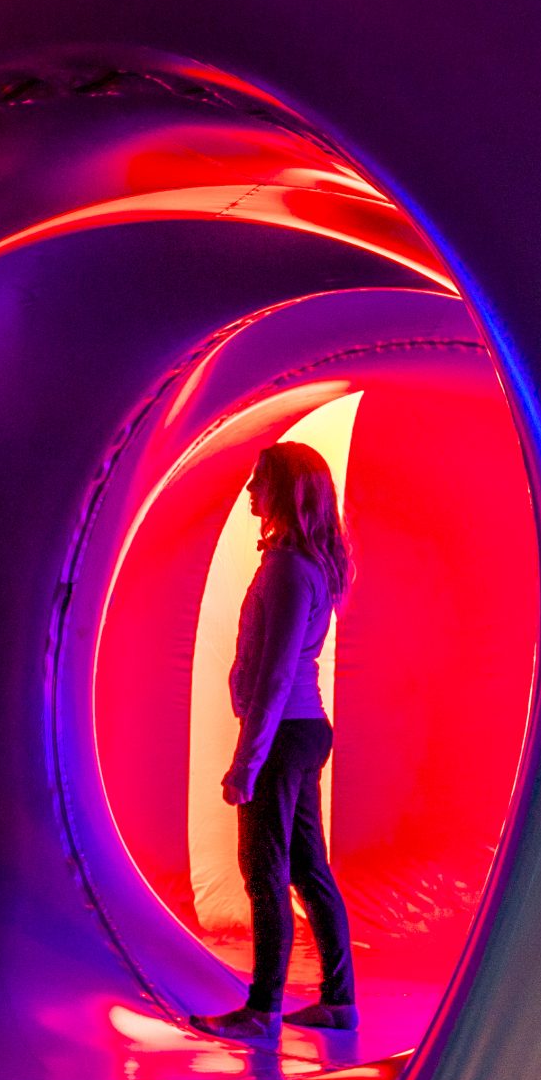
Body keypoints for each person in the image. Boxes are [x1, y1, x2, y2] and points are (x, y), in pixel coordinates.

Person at [189, 441, 358, 1042]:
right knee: (309, 868)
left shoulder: (287, 569)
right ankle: (338, 1003)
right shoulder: (300, 564)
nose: (249, 491)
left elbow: (276, 674)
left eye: (259, 480)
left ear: (284, 490)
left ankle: (263, 1012)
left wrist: (246, 760)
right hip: (300, 732)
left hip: (284, 735)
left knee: (264, 871)